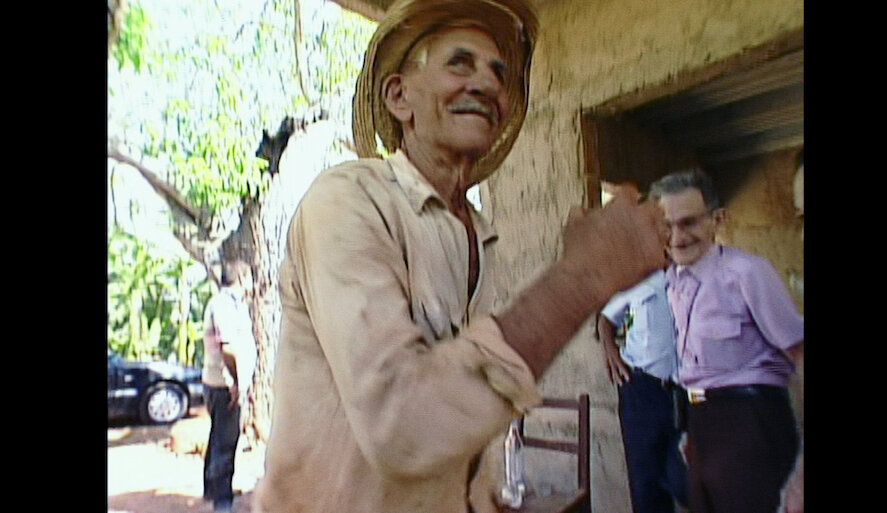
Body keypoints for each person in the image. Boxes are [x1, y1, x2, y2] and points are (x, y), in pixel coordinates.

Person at [252, 1, 666, 512]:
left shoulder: (478, 235)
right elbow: (402, 426)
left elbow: (457, 415)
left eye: (499, 72)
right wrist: (583, 276)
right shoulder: (346, 200)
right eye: (460, 63)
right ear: (399, 96)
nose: (488, 84)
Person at [648, 169, 804, 513]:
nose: (677, 237)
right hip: (701, 422)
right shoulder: (673, 282)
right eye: (666, 225)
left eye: (689, 223)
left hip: (750, 423)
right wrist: (693, 429)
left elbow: (800, 354)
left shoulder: (747, 273)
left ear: (717, 220)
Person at [597, 263, 689, 513]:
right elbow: (606, 319)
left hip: (687, 393)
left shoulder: (699, 280)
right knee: (646, 485)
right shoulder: (637, 279)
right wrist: (610, 350)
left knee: (686, 479)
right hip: (642, 390)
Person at [202, 260, 257, 513]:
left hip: (221, 382)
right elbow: (227, 348)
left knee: (218, 436)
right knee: (226, 442)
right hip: (224, 384)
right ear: (242, 278)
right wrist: (236, 382)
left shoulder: (233, 304)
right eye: (250, 278)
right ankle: (222, 503)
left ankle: (212, 490)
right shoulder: (224, 304)